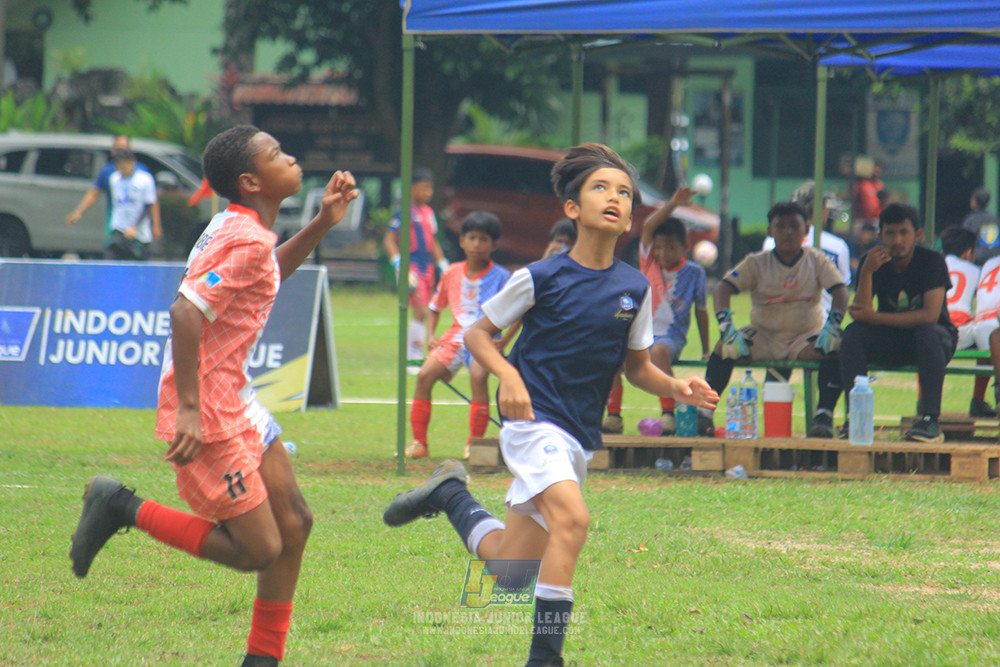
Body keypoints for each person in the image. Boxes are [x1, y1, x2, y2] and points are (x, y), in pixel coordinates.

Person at [383, 143, 717, 667]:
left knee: (510, 571)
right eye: (601, 188)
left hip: (577, 437)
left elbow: (635, 369)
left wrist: (677, 388)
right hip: (532, 423)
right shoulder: (540, 277)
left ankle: (451, 495)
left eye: (625, 192)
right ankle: (545, 658)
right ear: (572, 209)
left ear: (632, 215)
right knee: (574, 522)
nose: (615, 197)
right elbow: (476, 334)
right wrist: (508, 374)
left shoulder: (634, 288)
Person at [69, 125, 359, 667]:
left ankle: (262, 660)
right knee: (259, 549)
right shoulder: (245, 235)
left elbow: (266, 275)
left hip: (236, 395)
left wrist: (321, 221)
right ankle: (120, 506)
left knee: (294, 521)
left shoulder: (239, 225)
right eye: (278, 153)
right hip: (210, 406)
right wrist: (186, 408)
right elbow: (183, 311)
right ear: (252, 181)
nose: (291, 157)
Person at [701, 201, 848, 439]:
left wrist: (833, 324)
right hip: (763, 336)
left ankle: (824, 415)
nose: (788, 232)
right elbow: (723, 288)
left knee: (837, 346)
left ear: (806, 229)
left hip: (804, 339)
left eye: (794, 226)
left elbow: (840, 291)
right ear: (770, 231)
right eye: (781, 226)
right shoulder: (756, 262)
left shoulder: (817, 260)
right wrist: (726, 326)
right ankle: (704, 413)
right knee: (724, 347)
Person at [839, 202, 957, 443]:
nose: (897, 240)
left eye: (904, 233)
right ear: (880, 235)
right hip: (894, 338)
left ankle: (930, 421)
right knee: (852, 334)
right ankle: (857, 417)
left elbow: (930, 315)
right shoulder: (871, 261)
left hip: (935, 340)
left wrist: (875, 318)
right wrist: (867, 273)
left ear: (918, 235)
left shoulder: (932, 261)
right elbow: (861, 312)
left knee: (927, 333)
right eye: (890, 233)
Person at [602, 186, 710, 435]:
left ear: (685, 246)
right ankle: (614, 417)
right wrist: (673, 203)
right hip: (640, 332)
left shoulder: (694, 273)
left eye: (670, 247)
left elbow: (702, 311)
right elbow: (649, 227)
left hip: (669, 337)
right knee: (611, 358)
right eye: (658, 247)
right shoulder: (649, 261)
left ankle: (668, 414)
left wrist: (706, 347)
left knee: (660, 352)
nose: (662, 253)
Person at [407, 211, 511, 460]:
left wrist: (504, 341)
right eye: (472, 238)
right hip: (454, 339)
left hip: (484, 339)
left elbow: (518, 313)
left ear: (494, 244)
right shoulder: (451, 272)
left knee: (478, 377)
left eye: (483, 239)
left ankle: (473, 444)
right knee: (424, 376)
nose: (477, 244)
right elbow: (434, 308)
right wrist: (432, 336)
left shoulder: (502, 277)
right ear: (462, 241)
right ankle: (420, 443)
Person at [384, 167, 449, 364]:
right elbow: (389, 239)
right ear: (412, 189)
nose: (428, 193)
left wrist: (442, 263)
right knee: (420, 310)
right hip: (412, 267)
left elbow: (433, 240)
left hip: (427, 267)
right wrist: (397, 263)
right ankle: (412, 357)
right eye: (423, 188)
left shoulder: (429, 212)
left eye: (430, 188)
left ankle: (417, 353)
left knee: (427, 310)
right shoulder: (404, 212)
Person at [762, 180, 851, 315]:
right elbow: (843, 291)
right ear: (821, 210)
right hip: (822, 328)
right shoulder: (837, 246)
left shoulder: (771, 242)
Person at [66, 134, 162, 254]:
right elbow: (94, 193)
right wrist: (79, 211)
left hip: (137, 229)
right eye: (118, 148)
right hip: (116, 224)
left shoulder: (142, 173)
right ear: (113, 150)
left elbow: (151, 200)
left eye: (124, 148)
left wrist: (156, 224)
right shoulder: (110, 173)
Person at [941, 226, 995, 417]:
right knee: (989, 335)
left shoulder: (934, 264)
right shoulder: (974, 269)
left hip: (936, 328)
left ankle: (924, 399)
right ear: (967, 252)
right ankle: (978, 400)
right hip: (962, 330)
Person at [103, 149, 160, 260]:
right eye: (120, 165)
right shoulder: (114, 179)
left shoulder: (145, 179)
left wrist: (135, 226)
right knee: (112, 260)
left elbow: (148, 205)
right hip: (118, 229)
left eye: (125, 165)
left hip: (139, 233)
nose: (123, 169)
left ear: (133, 162)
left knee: (138, 265)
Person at [961, 187, 1000, 266]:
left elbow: (963, 241)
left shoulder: (971, 220)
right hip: (995, 261)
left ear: (975, 201)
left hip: (976, 261)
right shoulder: (995, 219)